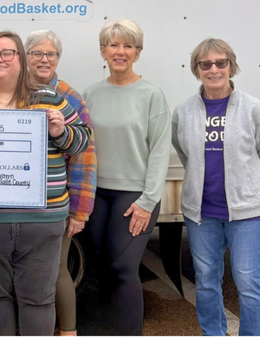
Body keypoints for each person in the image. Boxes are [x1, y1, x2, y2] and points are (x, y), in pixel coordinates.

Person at [0, 31, 91, 337]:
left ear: (21, 61)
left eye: (8, 53)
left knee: (38, 299)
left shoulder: (49, 99)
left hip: (42, 220)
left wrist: (61, 131)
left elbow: (82, 142)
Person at [172, 38, 260, 336]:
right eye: (206, 64)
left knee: (248, 281)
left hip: (248, 213)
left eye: (221, 63)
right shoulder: (184, 112)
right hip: (202, 213)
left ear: (231, 66)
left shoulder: (254, 109)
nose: (214, 69)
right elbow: (185, 153)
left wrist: (251, 192)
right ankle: (212, 333)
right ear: (197, 69)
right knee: (206, 280)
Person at [83, 19, 171, 336]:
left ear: (137, 52)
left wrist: (148, 201)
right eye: (114, 45)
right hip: (96, 194)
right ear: (103, 51)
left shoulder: (151, 95)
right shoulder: (90, 94)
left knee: (123, 267)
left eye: (128, 45)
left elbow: (160, 152)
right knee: (97, 265)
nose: (121, 51)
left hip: (134, 197)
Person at [24, 29, 96, 336]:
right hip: (19, 201)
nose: (44, 60)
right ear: (25, 57)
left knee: (56, 271)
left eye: (50, 54)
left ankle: (68, 332)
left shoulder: (70, 98)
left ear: (58, 58)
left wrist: (79, 211)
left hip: (56, 202)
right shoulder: (12, 91)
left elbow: (85, 156)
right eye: (37, 53)